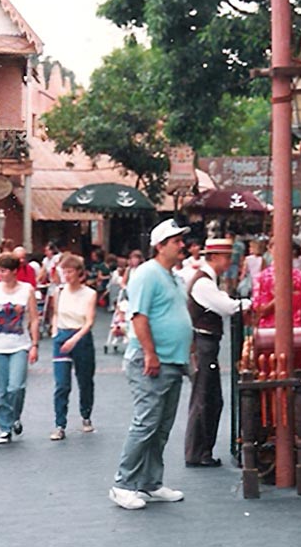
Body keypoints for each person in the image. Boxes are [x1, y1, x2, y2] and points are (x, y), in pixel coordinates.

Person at [109, 219, 193, 511]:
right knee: (146, 423)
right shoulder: (147, 274)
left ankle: (150, 481)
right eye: (176, 241)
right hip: (153, 362)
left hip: (171, 361)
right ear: (160, 246)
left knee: (160, 426)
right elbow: (139, 316)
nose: (182, 245)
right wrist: (150, 354)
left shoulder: (173, 276)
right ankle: (122, 484)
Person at [184, 238, 251, 468]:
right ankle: (199, 452)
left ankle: (201, 451)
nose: (229, 261)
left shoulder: (207, 280)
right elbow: (227, 307)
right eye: (226, 256)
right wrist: (248, 303)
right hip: (203, 343)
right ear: (213, 257)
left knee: (209, 397)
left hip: (206, 342)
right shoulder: (203, 283)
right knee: (206, 398)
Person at [0, 253, 40, 445]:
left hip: (19, 344)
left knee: (16, 386)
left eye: (4, 271)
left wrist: (35, 345)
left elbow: (34, 318)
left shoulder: (26, 290)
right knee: (0, 390)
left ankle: (15, 415)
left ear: (14, 272)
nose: (1, 274)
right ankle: (5, 427)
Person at [49, 254, 97, 441]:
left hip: (81, 337)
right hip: (62, 335)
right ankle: (60, 424)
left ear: (79, 273)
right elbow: (54, 314)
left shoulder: (89, 294)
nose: (66, 275)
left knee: (84, 380)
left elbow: (89, 321)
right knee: (62, 383)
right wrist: (55, 332)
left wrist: (75, 339)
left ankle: (86, 415)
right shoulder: (59, 291)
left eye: (70, 272)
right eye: (64, 272)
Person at [250, 241, 301, 329]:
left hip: (287, 332)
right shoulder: (261, 278)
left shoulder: (300, 277)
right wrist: (282, 296)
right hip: (274, 332)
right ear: (270, 250)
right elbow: (259, 311)